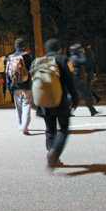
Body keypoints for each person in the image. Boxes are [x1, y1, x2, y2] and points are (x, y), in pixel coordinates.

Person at [35, 39, 79, 171]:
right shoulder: (63, 59)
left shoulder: (39, 61)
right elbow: (70, 81)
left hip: (43, 101)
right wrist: (75, 99)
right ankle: (54, 153)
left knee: (50, 129)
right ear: (59, 48)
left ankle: (52, 155)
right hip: (60, 100)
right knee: (64, 128)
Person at [5, 39, 33, 134]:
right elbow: (32, 71)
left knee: (19, 107)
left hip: (15, 85)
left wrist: (8, 86)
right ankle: (25, 126)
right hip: (27, 84)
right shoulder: (28, 56)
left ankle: (20, 124)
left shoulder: (10, 57)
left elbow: (7, 73)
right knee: (27, 104)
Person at [69, 44, 99, 116]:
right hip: (78, 79)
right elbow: (84, 61)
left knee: (78, 96)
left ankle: (92, 110)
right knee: (84, 95)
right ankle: (92, 110)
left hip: (74, 78)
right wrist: (81, 53)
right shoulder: (75, 58)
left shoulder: (71, 58)